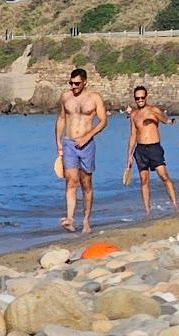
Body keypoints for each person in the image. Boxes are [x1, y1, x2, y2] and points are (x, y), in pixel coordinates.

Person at [55, 68, 107, 234]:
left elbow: (103, 121)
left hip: (87, 145)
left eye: (77, 83)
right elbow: (61, 119)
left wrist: (87, 136)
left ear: (85, 82)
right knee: (70, 181)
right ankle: (70, 218)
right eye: (71, 83)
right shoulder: (65, 97)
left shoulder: (94, 98)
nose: (73, 86)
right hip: (69, 143)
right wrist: (58, 142)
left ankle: (86, 220)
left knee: (86, 183)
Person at [124, 85, 178, 215]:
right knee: (144, 180)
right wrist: (129, 155)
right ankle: (147, 211)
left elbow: (165, 120)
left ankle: (175, 205)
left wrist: (153, 114)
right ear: (135, 99)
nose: (140, 100)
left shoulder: (153, 109)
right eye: (137, 98)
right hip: (140, 149)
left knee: (163, 176)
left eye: (142, 97)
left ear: (146, 97)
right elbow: (132, 135)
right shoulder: (134, 115)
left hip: (154, 147)